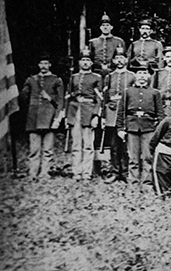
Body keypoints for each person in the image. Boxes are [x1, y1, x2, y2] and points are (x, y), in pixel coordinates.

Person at [116, 61, 165, 186]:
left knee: (147, 156)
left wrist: (159, 131)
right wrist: (120, 128)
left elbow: (160, 114)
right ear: (135, 76)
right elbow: (121, 111)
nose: (142, 76)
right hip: (132, 126)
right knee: (133, 158)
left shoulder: (154, 93)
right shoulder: (128, 92)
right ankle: (133, 182)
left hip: (149, 128)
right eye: (139, 73)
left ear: (149, 75)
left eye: (144, 73)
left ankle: (147, 183)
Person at [21, 53, 64, 180]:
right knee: (34, 149)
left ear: (50, 65)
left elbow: (60, 102)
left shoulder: (57, 80)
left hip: (49, 117)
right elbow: (23, 99)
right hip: (33, 118)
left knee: (48, 149)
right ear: (38, 65)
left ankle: (44, 172)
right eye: (41, 63)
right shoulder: (31, 80)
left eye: (46, 63)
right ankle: (33, 173)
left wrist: (57, 118)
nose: (43, 66)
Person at [65, 47, 103, 181]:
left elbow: (99, 99)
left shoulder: (96, 77)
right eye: (83, 60)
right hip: (75, 111)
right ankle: (76, 172)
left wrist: (95, 116)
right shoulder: (73, 77)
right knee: (76, 144)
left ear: (92, 63)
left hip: (89, 110)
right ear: (79, 62)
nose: (85, 62)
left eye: (88, 60)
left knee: (88, 144)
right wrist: (66, 116)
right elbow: (68, 97)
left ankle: (86, 173)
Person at [100, 46, 135, 183]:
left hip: (126, 113)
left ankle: (126, 172)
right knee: (114, 145)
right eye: (117, 58)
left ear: (126, 60)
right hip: (112, 112)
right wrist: (103, 115)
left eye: (122, 58)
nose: (120, 61)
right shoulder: (109, 76)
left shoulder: (131, 76)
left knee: (126, 145)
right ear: (114, 60)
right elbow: (105, 97)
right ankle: (115, 171)